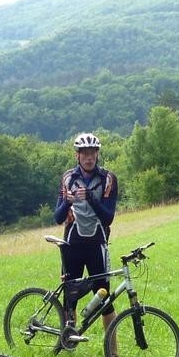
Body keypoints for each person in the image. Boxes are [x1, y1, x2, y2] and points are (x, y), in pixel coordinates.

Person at [52, 133, 119, 342]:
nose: (89, 157)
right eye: (84, 154)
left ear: (97, 154)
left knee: (104, 297)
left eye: (92, 153)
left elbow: (108, 218)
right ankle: (67, 341)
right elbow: (57, 217)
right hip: (72, 245)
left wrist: (90, 197)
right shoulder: (68, 178)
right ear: (77, 155)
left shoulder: (108, 178)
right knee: (70, 297)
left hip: (97, 245)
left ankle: (113, 352)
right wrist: (67, 202)